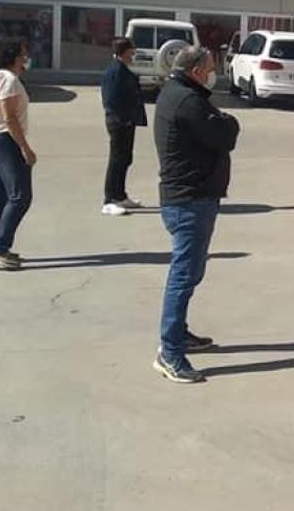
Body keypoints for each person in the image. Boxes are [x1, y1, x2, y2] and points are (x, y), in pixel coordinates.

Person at [152, 46, 240, 384]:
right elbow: (224, 135)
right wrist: (228, 120)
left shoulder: (180, 93)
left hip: (191, 198)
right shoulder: (188, 101)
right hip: (189, 201)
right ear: (195, 70)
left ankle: (179, 333)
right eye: (209, 68)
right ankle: (169, 352)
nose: (212, 73)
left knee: (190, 274)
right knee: (183, 276)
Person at [0, 41, 36, 271]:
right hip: (6, 141)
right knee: (20, 196)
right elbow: (9, 117)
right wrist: (25, 147)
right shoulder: (9, 80)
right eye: (24, 55)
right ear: (14, 57)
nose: (27, 59)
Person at [100, 37, 147, 216]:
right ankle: (109, 199)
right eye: (131, 50)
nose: (133, 54)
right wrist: (122, 120)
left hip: (127, 121)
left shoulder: (123, 69)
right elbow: (110, 100)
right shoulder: (114, 71)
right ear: (124, 51)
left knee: (125, 159)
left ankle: (120, 195)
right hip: (119, 123)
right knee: (117, 160)